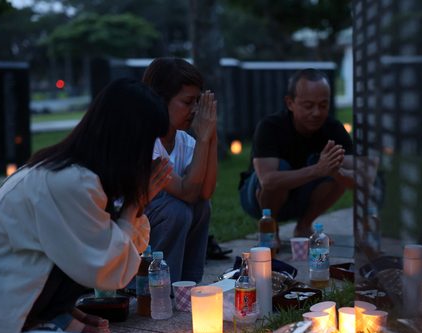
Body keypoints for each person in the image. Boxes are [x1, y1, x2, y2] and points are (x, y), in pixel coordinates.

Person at [0, 78, 172, 333]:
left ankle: (46, 319)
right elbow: (104, 269)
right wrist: (137, 202)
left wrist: (69, 313)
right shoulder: (70, 182)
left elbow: (90, 253)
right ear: (129, 142)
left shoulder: (74, 174)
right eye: (148, 142)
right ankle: (36, 324)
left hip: (8, 291)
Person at [239, 68, 354, 238]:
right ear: (290, 103)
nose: (317, 113)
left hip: (302, 197)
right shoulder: (270, 127)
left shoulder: (334, 129)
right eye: (308, 106)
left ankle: (304, 225)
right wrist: (317, 169)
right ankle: (270, 228)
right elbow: (267, 180)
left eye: (323, 105)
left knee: (336, 170)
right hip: (257, 200)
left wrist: (336, 171)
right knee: (281, 169)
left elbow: (357, 178)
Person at [142, 57, 218, 283]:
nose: (195, 110)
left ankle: (188, 282)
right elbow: (187, 192)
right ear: (159, 101)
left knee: (201, 207)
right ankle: (157, 284)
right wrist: (204, 139)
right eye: (188, 102)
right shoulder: (145, 141)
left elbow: (204, 193)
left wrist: (211, 135)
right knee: (176, 209)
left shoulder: (184, 141)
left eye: (199, 102)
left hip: (153, 223)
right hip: (127, 232)